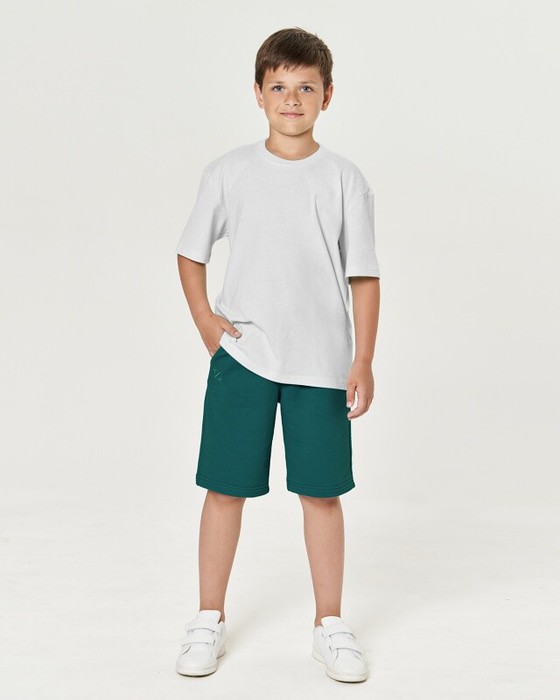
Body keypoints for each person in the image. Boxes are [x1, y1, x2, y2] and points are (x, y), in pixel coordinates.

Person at [174, 26, 381, 684]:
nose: (292, 98)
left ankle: (330, 624)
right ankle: (208, 617)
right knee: (224, 489)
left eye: (306, 88)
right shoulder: (229, 172)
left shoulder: (345, 179)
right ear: (259, 94)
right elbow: (190, 252)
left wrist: (362, 359)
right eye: (280, 86)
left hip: (322, 364)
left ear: (328, 96)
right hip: (245, 358)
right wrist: (206, 320)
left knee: (322, 494)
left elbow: (364, 276)